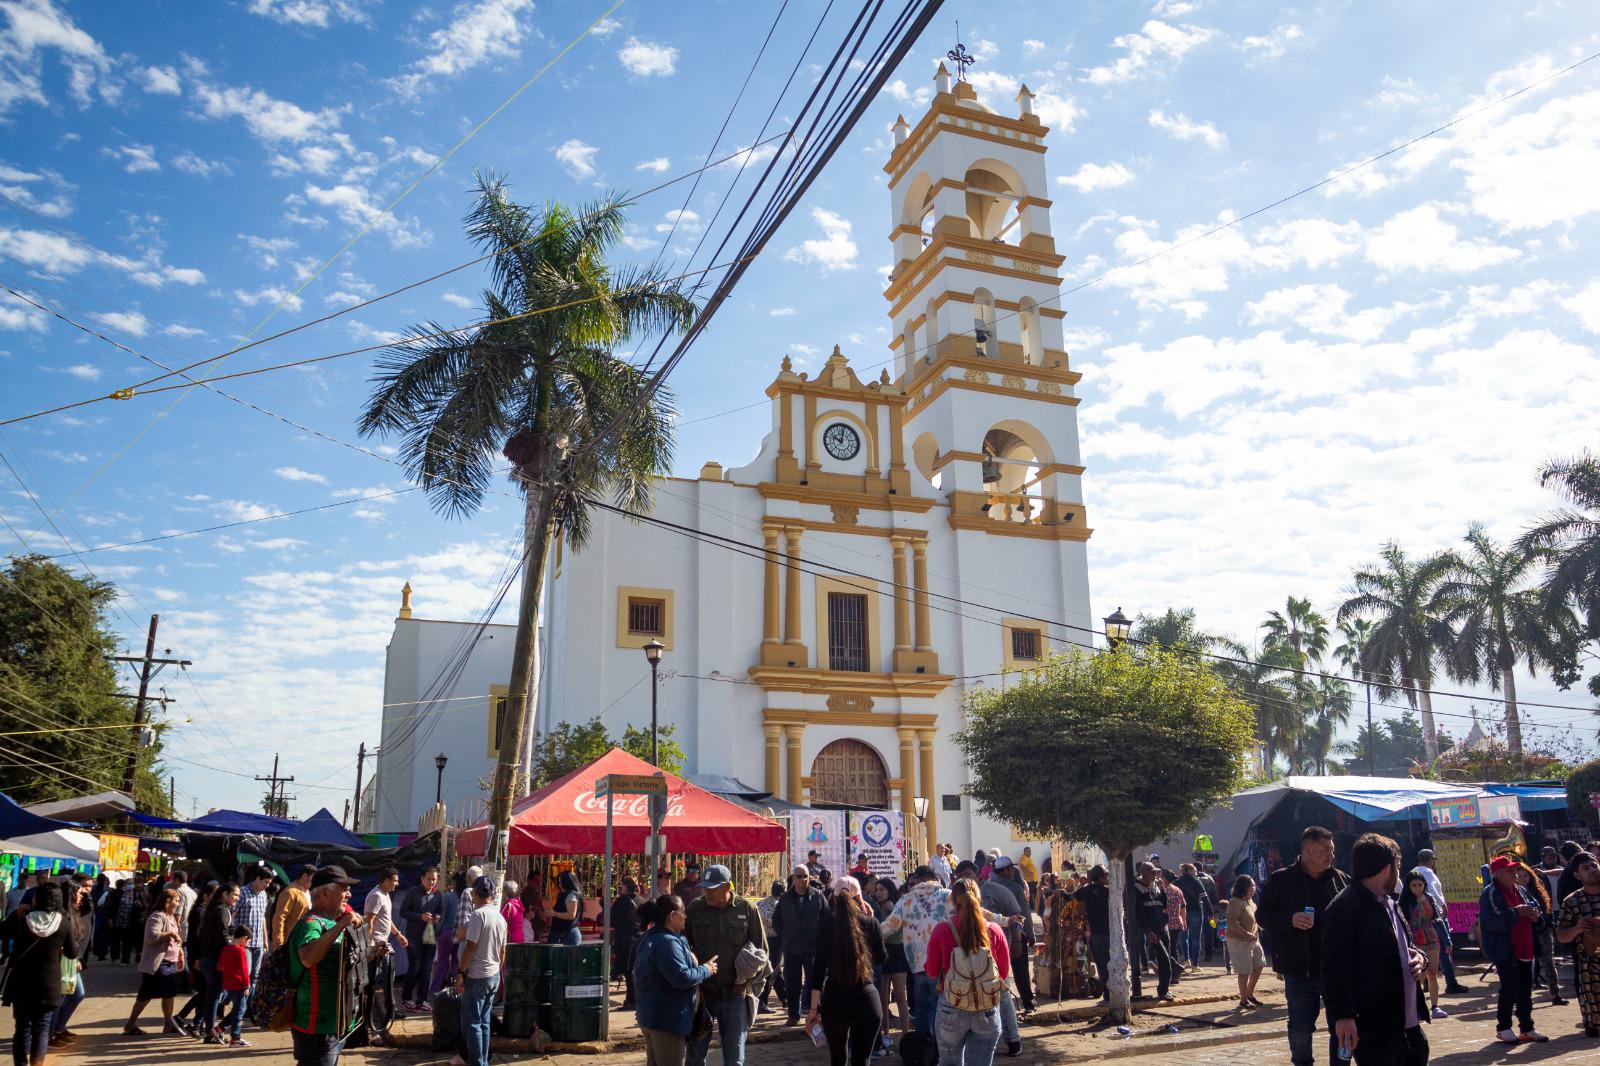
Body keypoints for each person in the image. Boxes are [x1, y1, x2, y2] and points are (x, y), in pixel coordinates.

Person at [1323, 833, 1430, 1066]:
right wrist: (1343, 1015)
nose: (1399, 872)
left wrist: (1420, 959)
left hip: (1408, 1024)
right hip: (1376, 1028)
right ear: (1386, 869)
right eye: (1397, 866)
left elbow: (1404, 947)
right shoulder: (1345, 908)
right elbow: (1334, 968)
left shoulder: (1390, 903)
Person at [1257, 825, 1349, 1066]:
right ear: (1307, 850)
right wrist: (1289, 919)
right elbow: (1262, 916)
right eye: (1324, 850)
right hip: (1299, 969)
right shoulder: (1281, 880)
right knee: (1300, 1027)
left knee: (1342, 1024)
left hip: (1337, 970)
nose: (1330, 855)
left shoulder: (1340, 880)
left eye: (1331, 850)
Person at [684, 864, 767, 1066]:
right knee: (694, 1056)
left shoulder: (747, 909)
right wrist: (694, 981)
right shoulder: (695, 908)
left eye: (712, 889)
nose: (707, 893)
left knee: (734, 1057)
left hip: (734, 994)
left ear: (728, 886)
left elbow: (762, 953)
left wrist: (744, 984)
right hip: (702, 994)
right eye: (705, 888)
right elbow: (684, 947)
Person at [288, 865, 368, 1066]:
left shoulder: (329, 923)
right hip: (316, 1026)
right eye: (344, 888)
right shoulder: (311, 924)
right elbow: (307, 957)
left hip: (333, 1023)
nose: (348, 894)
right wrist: (342, 925)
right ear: (325, 892)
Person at [925, 878, 1010, 1066]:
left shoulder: (942, 930)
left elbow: (931, 972)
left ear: (953, 902)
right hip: (986, 1007)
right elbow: (1002, 974)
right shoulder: (994, 931)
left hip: (951, 1006)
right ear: (979, 900)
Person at [1, 880, 86, 1066]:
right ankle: (37, 1063)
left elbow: (2, 931)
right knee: (41, 1028)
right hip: (49, 984)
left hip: (22, 982)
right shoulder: (63, 923)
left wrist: (15, 913)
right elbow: (73, 952)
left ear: (37, 899)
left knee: (22, 1028)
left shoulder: (24, 920)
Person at [807, 876, 887, 1066]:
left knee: (838, 1059)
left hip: (835, 1000)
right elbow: (881, 957)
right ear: (860, 898)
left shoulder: (826, 925)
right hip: (866, 997)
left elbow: (818, 968)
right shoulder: (871, 923)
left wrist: (812, 1009)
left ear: (833, 898)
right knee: (862, 1060)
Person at [635, 893, 716, 1066]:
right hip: (666, 1021)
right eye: (683, 912)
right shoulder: (666, 942)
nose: (686, 916)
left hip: (655, 1016)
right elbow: (681, 978)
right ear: (672, 916)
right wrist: (706, 969)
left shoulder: (656, 937)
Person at [1479, 854, 1549, 1044]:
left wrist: (1536, 917)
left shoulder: (1520, 890)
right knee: (1509, 989)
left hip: (1526, 947)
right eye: (1510, 871)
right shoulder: (1491, 892)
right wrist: (1516, 912)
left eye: (1514, 870)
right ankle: (1503, 1027)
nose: (1514, 874)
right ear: (1498, 873)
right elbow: (1492, 921)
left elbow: (1537, 910)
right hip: (1506, 950)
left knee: (1526, 990)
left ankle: (1527, 1027)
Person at [882, 865, 952, 1037]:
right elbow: (973, 914)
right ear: (934, 878)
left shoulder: (906, 900)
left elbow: (888, 927)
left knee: (921, 1009)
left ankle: (923, 1048)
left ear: (917, 879)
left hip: (917, 966)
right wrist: (1003, 920)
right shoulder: (946, 896)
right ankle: (938, 1049)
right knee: (939, 1010)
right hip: (941, 966)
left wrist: (862, 933)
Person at [454, 875, 506, 1066]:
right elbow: (503, 951)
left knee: (473, 1023)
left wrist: (461, 972)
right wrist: (496, 970)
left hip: (477, 976)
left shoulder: (478, 915)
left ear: (474, 894)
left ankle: (477, 1062)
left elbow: (470, 946)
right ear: (492, 895)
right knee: (484, 1022)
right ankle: (482, 1061)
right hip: (492, 976)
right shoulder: (499, 917)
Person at [122, 886, 186, 1036]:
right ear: (167, 901)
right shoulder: (157, 916)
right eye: (176, 900)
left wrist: (180, 952)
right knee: (146, 994)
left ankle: (168, 1024)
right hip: (158, 963)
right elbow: (151, 936)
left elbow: (177, 938)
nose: (178, 903)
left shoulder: (171, 917)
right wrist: (169, 933)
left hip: (170, 962)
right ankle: (130, 1024)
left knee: (169, 994)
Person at [1553, 850, 1600, 1038]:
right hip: (1590, 965)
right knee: (1595, 1025)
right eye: (1585, 868)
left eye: (1594, 865)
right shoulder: (1572, 901)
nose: (1592, 870)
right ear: (1577, 875)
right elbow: (1561, 936)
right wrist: (1576, 929)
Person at [773, 867, 826, 1026]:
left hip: (812, 948)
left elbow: (826, 918)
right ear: (793, 879)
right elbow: (776, 920)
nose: (802, 879)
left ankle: (816, 1013)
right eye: (799, 876)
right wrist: (785, 935)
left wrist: (821, 938)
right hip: (792, 948)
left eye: (805, 876)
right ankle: (793, 1015)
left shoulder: (817, 896)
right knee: (792, 984)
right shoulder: (785, 898)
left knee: (814, 983)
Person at [1410, 850, 1465, 995]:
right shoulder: (1428, 873)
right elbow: (1433, 893)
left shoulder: (1413, 872)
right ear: (1430, 860)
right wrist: (1443, 906)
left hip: (1419, 918)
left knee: (1424, 950)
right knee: (1444, 950)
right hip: (1434, 915)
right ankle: (1451, 983)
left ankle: (1427, 983)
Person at [362, 866, 407, 1039]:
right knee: (372, 984)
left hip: (384, 944)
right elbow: (370, 921)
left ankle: (390, 1010)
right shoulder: (376, 896)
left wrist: (398, 934)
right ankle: (368, 1021)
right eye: (394, 881)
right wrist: (371, 946)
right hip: (376, 947)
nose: (397, 884)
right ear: (386, 880)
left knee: (389, 979)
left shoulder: (385, 895)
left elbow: (386, 920)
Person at [1398, 870, 1446, 1019]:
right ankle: (1416, 1007)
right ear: (1409, 886)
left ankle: (1435, 1006)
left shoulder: (1430, 898)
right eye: (1414, 885)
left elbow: (1438, 919)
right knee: (1419, 974)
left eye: (1420, 885)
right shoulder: (1404, 901)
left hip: (1431, 936)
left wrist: (1447, 941)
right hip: (1415, 939)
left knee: (1432, 972)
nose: (1418, 888)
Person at [990, 857, 1035, 1017]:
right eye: (1011, 869)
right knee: (1020, 969)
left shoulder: (986, 886)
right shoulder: (1014, 887)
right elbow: (1024, 913)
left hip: (991, 936)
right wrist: (1030, 933)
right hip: (1015, 934)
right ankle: (1028, 1001)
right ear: (1007, 870)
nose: (1013, 871)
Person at [197, 881, 239, 1044]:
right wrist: (233, 947)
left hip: (208, 958)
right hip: (215, 959)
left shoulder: (214, 910)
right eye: (234, 895)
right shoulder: (222, 911)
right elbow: (223, 937)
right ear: (225, 894)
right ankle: (210, 1032)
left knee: (214, 995)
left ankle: (206, 1027)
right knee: (216, 996)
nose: (236, 898)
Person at [173, 881, 215, 1035]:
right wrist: (197, 958)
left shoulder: (206, 911)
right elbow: (196, 937)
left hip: (200, 956)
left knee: (206, 992)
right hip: (198, 957)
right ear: (206, 896)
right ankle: (181, 1017)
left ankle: (197, 1022)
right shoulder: (200, 912)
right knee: (206, 992)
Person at [871, 879, 910, 1045]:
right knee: (883, 997)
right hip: (881, 952)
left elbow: (899, 925)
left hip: (896, 951)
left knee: (900, 995)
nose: (879, 892)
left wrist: (891, 910)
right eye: (877, 889)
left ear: (890, 891)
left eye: (882, 889)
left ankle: (905, 1035)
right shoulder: (873, 907)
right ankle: (886, 1034)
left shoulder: (893, 906)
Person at [398, 866, 441, 1012]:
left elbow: (440, 912)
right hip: (414, 937)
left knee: (427, 969)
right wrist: (419, 916)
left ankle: (422, 1000)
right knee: (414, 968)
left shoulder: (438, 895)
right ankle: (406, 998)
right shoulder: (413, 892)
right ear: (422, 879)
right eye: (429, 879)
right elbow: (403, 912)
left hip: (430, 936)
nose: (431, 882)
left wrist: (437, 918)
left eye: (434, 879)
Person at [233, 864, 274, 1011]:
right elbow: (233, 914)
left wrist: (264, 939)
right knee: (246, 975)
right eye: (266, 882)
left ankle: (247, 1008)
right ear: (257, 878)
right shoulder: (242, 893)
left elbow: (262, 917)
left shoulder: (263, 895)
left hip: (258, 942)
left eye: (269, 883)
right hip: (244, 943)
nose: (267, 886)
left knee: (255, 976)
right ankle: (237, 1006)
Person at [1131, 862, 1174, 1002]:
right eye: (1153, 873)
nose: (1155, 875)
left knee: (1166, 957)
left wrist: (1163, 890)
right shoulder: (1136, 887)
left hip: (1162, 926)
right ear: (1144, 874)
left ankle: (1165, 989)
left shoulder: (1156, 885)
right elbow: (1139, 912)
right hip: (1151, 929)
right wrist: (1148, 931)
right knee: (1164, 959)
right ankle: (1163, 990)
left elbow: (1164, 904)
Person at [1224, 874, 1265, 1010]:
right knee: (1244, 970)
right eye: (1252, 886)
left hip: (1253, 939)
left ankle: (1249, 994)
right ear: (1244, 887)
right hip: (1239, 941)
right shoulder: (1235, 902)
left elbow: (1254, 919)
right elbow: (1232, 924)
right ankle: (1243, 1000)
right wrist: (1246, 934)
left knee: (1259, 965)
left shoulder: (1250, 901)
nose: (1254, 888)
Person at [1073, 866, 1112, 1002]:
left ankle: (1108, 995)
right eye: (1105, 876)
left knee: (1102, 965)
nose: (1107, 878)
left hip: (1096, 932)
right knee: (1112, 964)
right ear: (1101, 877)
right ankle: (1113, 994)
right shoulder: (1109, 891)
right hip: (1111, 932)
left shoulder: (1086, 890)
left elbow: (1074, 896)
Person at [215, 926, 253, 1047]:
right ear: (244, 938)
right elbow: (244, 970)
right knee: (240, 1011)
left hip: (228, 985)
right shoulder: (240, 951)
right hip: (239, 985)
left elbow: (220, 967)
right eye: (248, 941)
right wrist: (247, 985)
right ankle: (235, 1037)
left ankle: (219, 1028)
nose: (247, 944)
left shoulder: (226, 949)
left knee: (237, 1010)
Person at [429, 871, 464, 997]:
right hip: (461, 935)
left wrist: (436, 933)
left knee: (442, 964)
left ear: (454, 883)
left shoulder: (448, 897)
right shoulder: (469, 897)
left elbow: (442, 918)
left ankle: (434, 992)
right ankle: (455, 992)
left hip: (447, 933)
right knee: (456, 964)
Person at [611, 877, 642, 1009]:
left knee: (628, 971)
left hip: (625, 939)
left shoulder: (621, 901)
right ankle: (635, 999)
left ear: (624, 887)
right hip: (640, 938)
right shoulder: (641, 900)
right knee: (635, 971)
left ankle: (631, 1000)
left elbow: (613, 919)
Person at [755, 880, 785, 1015]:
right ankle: (762, 1002)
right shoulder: (779, 905)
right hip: (776, 940)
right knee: (771, 972)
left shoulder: (762, 902)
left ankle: (785, 997)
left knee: (776, 971)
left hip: (762, 939)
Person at [1175, 863, 1209, 970]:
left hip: (1182, 912)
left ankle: (1186, 960)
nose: (1195, 872)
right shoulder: (1196, 881)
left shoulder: (1177, 883)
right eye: (1194, 870)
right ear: (1189, 870)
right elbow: (1204, 898)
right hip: (1196, 911)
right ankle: (1195, 965)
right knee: (1196, 939)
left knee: (1183, 937)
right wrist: (1210, 912)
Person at [273, 866, 315, 950]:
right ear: (304, 876)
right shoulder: (290, 892)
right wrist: (279, 941)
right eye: (312, 879)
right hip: (288, 940)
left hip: (300, 939)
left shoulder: (307, 892)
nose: (313, 882)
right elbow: (280, 917)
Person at [543, 871, 583, 946]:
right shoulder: (563, 895)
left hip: (568, 934)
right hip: (559, 933)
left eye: (560, 882)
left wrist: (555, 914)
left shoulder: (571, 895)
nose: (559, 884)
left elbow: (571, 915)